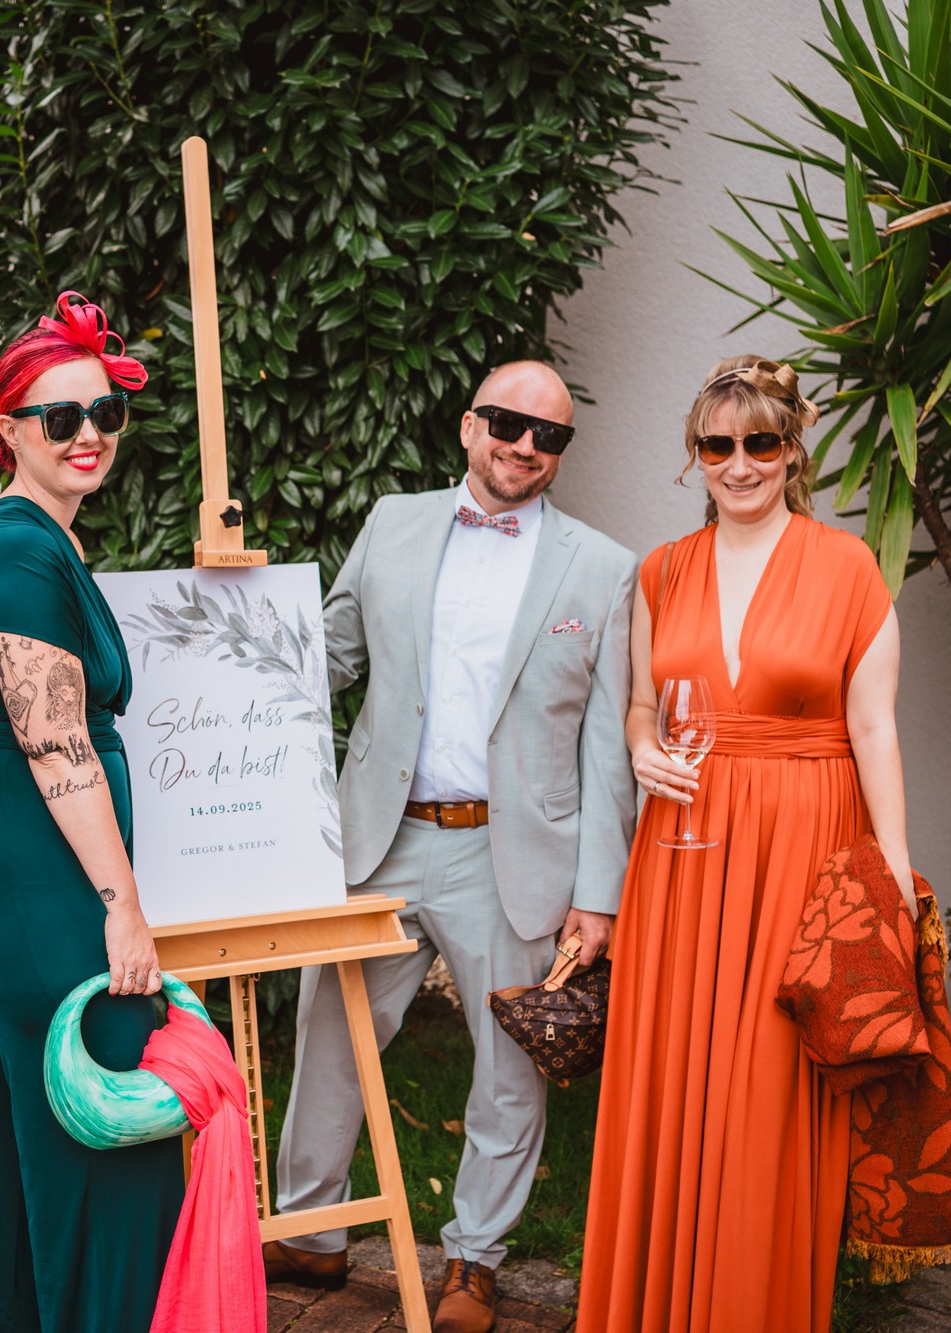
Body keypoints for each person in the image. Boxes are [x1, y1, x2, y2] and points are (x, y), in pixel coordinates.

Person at [268, 362, 639, 1333]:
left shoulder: (603, 569)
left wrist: (597, 892)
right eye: (509, 423)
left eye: (549, 435)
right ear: (470, 424)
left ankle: (475, 1257)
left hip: (515, 856)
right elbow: (329, 655)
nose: (525, 446)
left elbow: (608, 747)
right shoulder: (393, 522)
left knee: (510, 1066)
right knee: (329, 1032)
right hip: (380, 837)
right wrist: (233, 625)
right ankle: (310, 1226)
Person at [576, 355, 915, 1333]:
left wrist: (892, 868)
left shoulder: (846, 568)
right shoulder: (661, 569)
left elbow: (874, 726)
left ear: (791, 449)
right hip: (681, 850)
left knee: (767, 1077)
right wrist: (642, 749)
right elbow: (641, 706)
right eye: (717, 444)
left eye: (760, 441)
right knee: (674, 1069)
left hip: (803, 845)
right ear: (695, 454)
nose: (739, 463)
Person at [0, 292, 182, 1332]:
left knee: (19, 1123)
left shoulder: (45, 541)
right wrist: (122, 906)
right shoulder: (16, 548)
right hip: (31, 875)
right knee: (112, 1122)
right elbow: (57, 744)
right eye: (60, 416)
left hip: (24, 868)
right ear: (9, 432)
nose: (88, 434)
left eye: (104, 413)